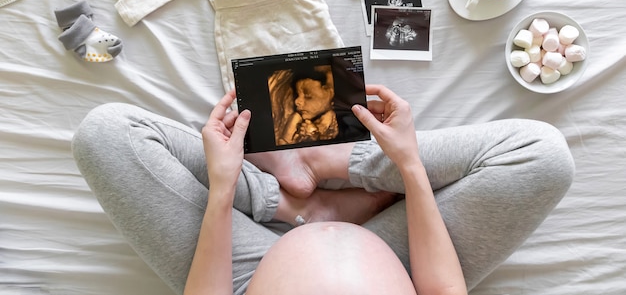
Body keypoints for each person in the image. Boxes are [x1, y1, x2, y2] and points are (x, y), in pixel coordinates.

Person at [71, 85, 575, 295]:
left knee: (107, 136)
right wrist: (406, 164)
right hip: (406, 265)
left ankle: (287, 202)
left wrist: (224, 190)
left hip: (247, 273)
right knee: (543, 157)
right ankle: (338, 166)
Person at [275, 66, 338, 145]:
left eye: (308, 96)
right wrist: (287, 136)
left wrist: (314, 135)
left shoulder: (335, 120)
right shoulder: (297, 119)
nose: (297, 101)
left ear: (330, 96)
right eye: (297, 95)